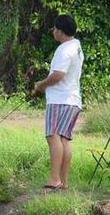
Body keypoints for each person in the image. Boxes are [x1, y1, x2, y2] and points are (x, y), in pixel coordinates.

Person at [34, 14, 84, 190]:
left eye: (55, 29)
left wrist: (41, 85)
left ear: (60, 31)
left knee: (52, 136)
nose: (53, 32)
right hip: (73, 100)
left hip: (59, 100)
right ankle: (63, 182)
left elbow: (58, 75)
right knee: (63, 139)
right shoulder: (76, 46)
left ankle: (54, 179)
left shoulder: (64, 49)